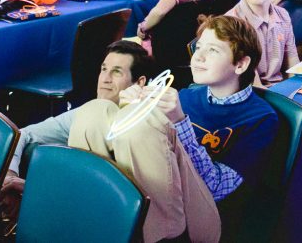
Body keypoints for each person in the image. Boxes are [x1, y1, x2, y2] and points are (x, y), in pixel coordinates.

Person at [17, 15, 277, 242]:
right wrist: (127, 106)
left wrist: (178, 122)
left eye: (213, 50)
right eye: (200, 47)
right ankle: (95, 212)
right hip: (150, 201)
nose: (199, 55)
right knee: (96, 110)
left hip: (200, 221)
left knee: (143, 123)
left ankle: (162, 234)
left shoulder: (259, 118)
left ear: (240, 64)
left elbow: (218, 189)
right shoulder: (187, 95)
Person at [0, 41, 155, 219]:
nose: (105, 79)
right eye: (103, 69)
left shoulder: (150, 123)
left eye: (117, 72)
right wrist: (10, 176)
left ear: (140, 82)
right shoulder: (83, 114)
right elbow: (23, 135)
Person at [225, 0, 298, 86]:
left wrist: (298, 93)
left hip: (280, 89)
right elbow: (254, 85)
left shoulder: (283, 15)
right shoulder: (233, 23)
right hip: (252, 94)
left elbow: (293, 64)